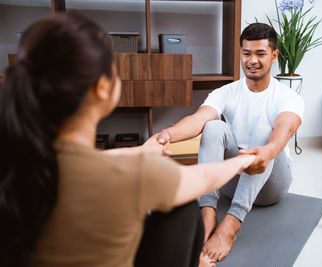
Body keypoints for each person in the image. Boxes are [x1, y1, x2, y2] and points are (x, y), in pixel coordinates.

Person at [0, 12, 255, 267]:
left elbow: (94, 162)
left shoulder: (20, 162)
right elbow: (202, 178)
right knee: (182, 210)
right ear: (102, 87)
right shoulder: (137, 175)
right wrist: (243, 161)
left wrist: (142, 150)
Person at [154, 22, 304, 262]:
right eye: (246, 53)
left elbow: (284, 129)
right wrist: (167, 136)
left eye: (260, 54)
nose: (252, 60)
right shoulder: (227, 91)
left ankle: (230, 226)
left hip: (270, 182)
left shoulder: (289, 97)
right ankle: (208, 213)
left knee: (266, 134)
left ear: (274, 56)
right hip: (232, 182)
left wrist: (267, 151)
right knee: (213, 126)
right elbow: (198, 119)